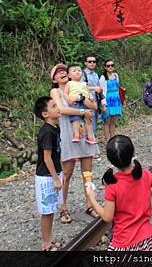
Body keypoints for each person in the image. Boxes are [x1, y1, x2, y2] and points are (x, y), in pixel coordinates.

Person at [85, 135, 152, 250]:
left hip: (124, 242)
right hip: (147, 239)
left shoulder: (112, 185)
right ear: (133, 153)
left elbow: (107, 217)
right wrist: (145, 190)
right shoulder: (145, 174)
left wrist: (91, 197)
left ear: (111, 161)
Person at [50, 64, 100, 222]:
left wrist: (82, 99)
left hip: (85, 135)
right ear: (54, 79)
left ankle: (90, 204)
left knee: (87, 173)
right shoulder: (56, 91)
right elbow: (62, 110)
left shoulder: (81, 86)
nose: (62, 73)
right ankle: (63, 208)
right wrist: (81, 111)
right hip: (69, 135)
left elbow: (94, 106)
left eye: (64, 70)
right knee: (67, 173)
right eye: (58, 72)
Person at [33, 96, 63, 251]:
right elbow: (46, 157)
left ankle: (49, 239)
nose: (57, 107)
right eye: (53, 106)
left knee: (51, 210)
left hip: (54, 173)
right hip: (47, 176)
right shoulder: (46, 132)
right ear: (45, 114)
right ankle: (45, 243)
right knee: (47, 211)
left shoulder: (55, 128)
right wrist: (56, 178)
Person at [63, 65, 97, 144]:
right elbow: (65, 93)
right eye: (74, 71)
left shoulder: (84, 84)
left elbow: (87, 93)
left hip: (86, 103)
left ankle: (90, 136)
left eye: (79, 70)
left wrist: (91, 97)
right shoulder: (69, 83)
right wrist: (68, 99)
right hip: (75, 103)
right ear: (69, 75)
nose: (77, 72)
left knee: (88, 120)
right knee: (76, 119)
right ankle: (76, 135)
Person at [99, 60, 122, 141]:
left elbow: (118, 87)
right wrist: (103, 104)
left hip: (116, 100)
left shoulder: (116, 76)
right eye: (108, 66)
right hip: (108, 99)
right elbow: (102, 91)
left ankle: (113, 139)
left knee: (113, 121)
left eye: (112, 65)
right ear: (105, 67)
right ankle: (108, 140)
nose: (110, 67)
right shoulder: (103, 77)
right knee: (107, 121)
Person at [83, 54, 103, 136]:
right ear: (85, 63)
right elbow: (80, 87)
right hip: (86, 103)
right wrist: (94, 88)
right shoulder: (82, 74)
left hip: (95, 102)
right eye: (90, 61)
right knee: (87, 124)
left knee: (94, 123)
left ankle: (93, 143)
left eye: (94, 61)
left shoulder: (96, 75)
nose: (92, 63)